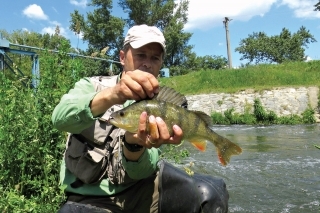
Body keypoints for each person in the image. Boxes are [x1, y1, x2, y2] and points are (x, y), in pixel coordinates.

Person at [53, 24, 229, 213]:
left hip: (142, 190)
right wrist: (114, 94)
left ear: (161, 64)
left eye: (155, 58)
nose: (147, 63)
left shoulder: (161, 102)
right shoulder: (91, 86)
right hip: (90, 197)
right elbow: (60, 119)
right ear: (122, 57)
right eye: (140, 55)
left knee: (209, 194)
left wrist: (134, 144)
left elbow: (142, 170)